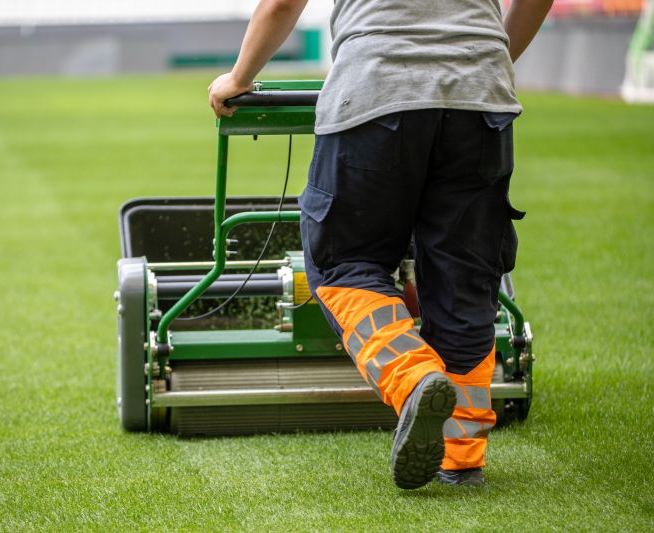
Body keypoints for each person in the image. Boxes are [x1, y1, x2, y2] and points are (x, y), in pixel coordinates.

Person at [209, 0, 552, 489]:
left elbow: (283, 3)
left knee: (345, 265)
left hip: (376, 90)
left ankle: (414, 378)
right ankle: (461, 457)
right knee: (464, 277)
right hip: (481, 97)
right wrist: (481, 58)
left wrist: (239, 77)